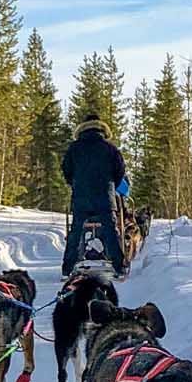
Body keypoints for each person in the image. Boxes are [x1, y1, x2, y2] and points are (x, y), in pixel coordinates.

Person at [61, 112, 129, 277]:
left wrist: (76, 184)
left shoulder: (74, 148)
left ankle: (67, 268)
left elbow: (66, 170)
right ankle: (119, 267)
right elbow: (120, 171)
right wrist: (111, 184)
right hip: (105, 196)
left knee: (76, 232)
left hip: (81, 197)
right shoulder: (110, 148)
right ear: (101, 128)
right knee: (111, 231)